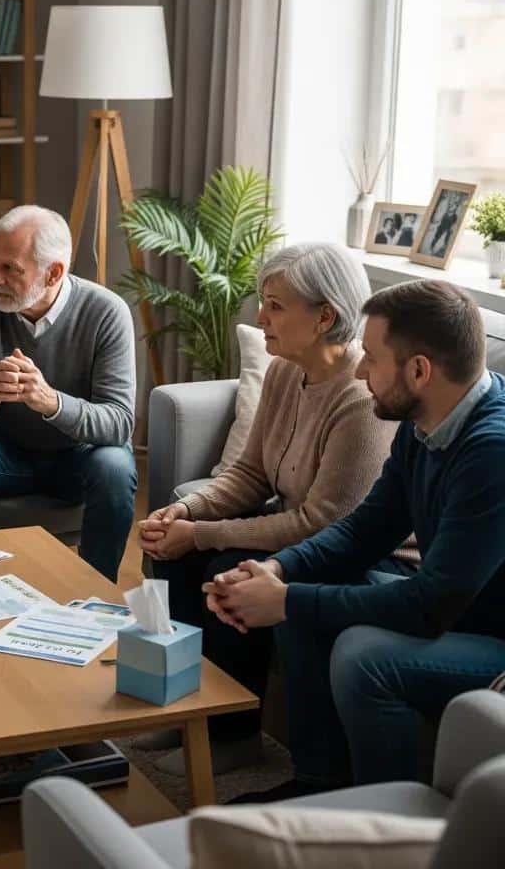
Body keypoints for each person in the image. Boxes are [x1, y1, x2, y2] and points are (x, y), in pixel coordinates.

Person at [204, 280, 505, 801]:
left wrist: (287, 602)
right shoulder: (425, 417)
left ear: (418, 371)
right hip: (455, 611)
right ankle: (320, 785)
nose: (361, 370)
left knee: (363, 654)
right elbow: (366, 529)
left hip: (493, 642)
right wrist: (280, 570)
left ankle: (385, 823)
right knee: (307, 583)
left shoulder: (491, 453)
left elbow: (431, 605)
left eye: (372, 357)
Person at [137, 243, 404, 774]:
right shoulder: (286, 370)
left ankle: (234, 735)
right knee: (172, 554)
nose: (259, 317)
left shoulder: (360, 396)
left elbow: (322, 523)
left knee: (220, 568)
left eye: (275, 305)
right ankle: (189, 707)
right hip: (299, 531)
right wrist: (188, 511)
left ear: (325, 315)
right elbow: (251, 472)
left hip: (361, 556)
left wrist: (206, 535)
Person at [0, 205, 137, 582]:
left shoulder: (107, 312)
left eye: (10, 268)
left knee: (115, 465)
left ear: (54, 272)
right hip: (6, 454)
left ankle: (95, 595)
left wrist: (51, 401)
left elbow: (120, 423)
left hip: (79, 457)